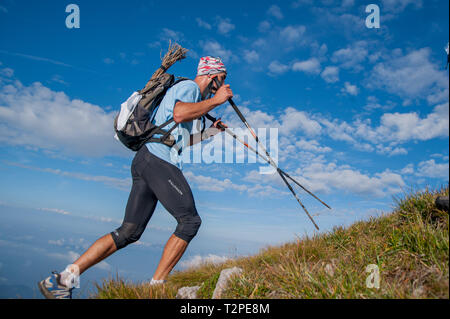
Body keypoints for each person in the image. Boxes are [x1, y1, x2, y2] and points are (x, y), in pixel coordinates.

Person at [38, 56, 233, 299]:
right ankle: (156, 288)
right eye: (223, 78)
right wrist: (216, 100)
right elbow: (180, 114)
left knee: (128, 232)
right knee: (190, 221)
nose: (224, 83)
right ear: (213, 75)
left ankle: (61, 280)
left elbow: (180, 137)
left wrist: (212, 130)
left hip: (147, 159)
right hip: (158, 160)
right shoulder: (190, 88)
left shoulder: (191, 96)